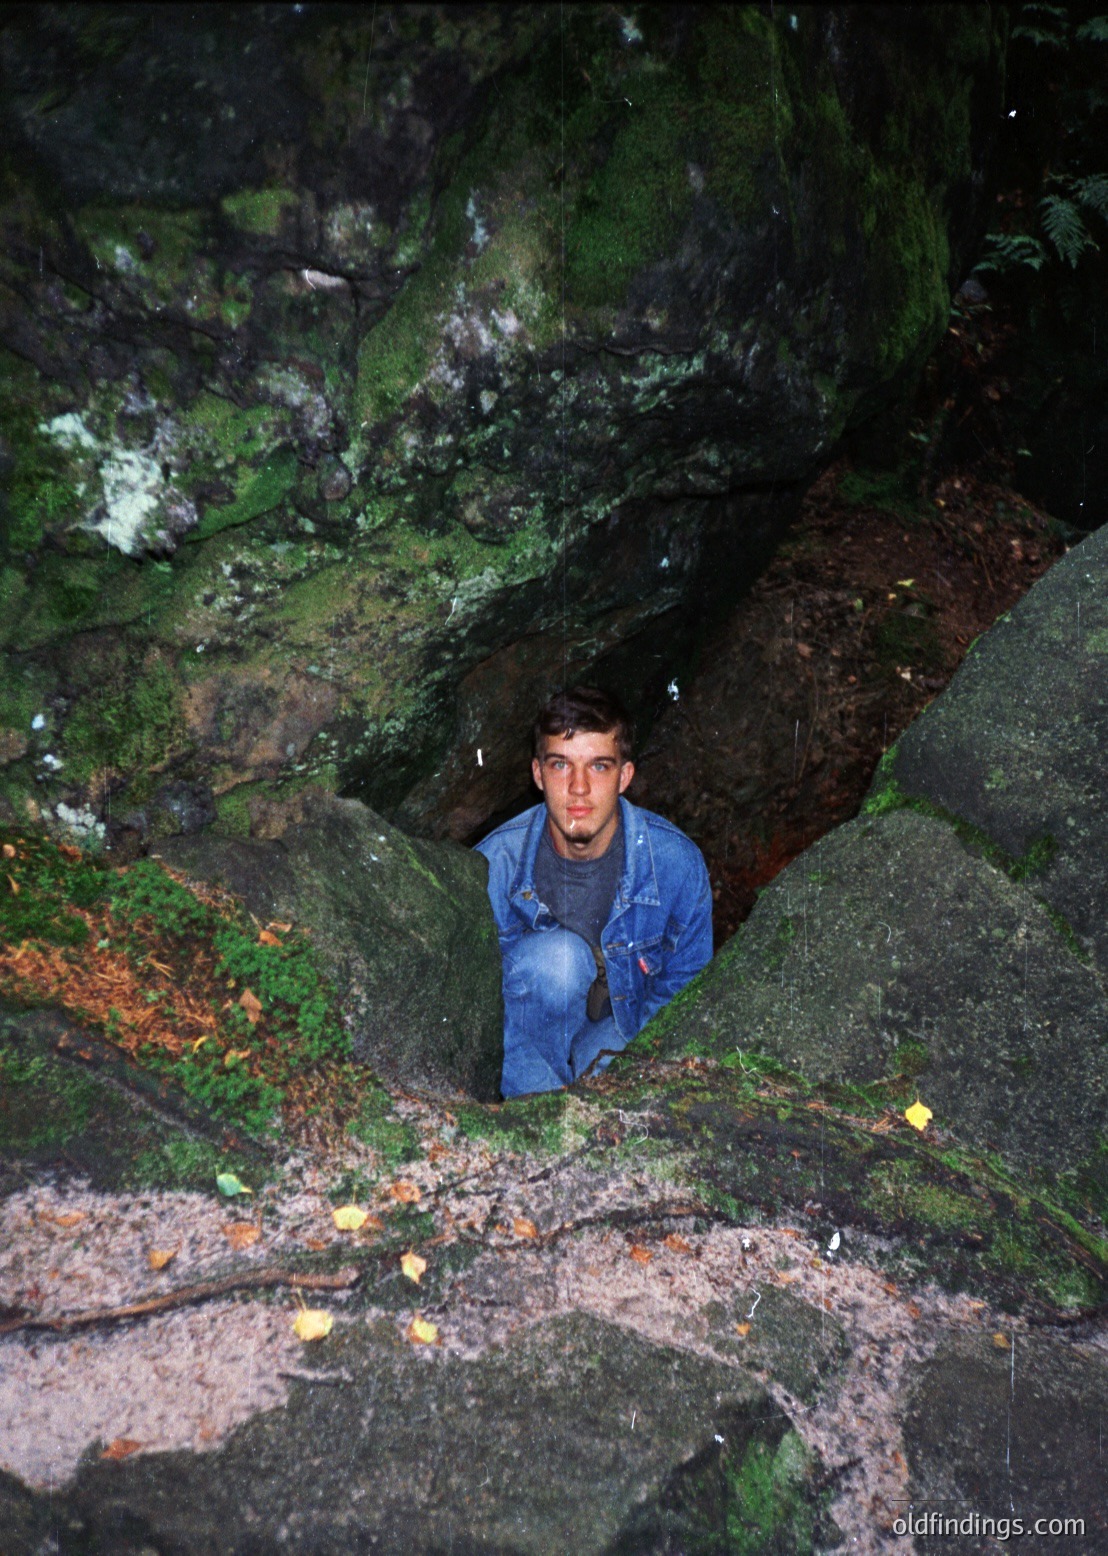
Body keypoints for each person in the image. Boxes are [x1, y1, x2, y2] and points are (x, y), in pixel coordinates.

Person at [475, 686, 713, 1097]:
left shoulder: (676, 865)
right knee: (560, 961)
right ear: (537, 774)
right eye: (561, 765)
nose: (579, 788)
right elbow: (481, 1010)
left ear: (625, 776)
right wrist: (544, 1107)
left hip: (620, 1030)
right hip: (530, 1040)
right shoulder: (495, 865)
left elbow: (685, 996)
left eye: (599, 767)